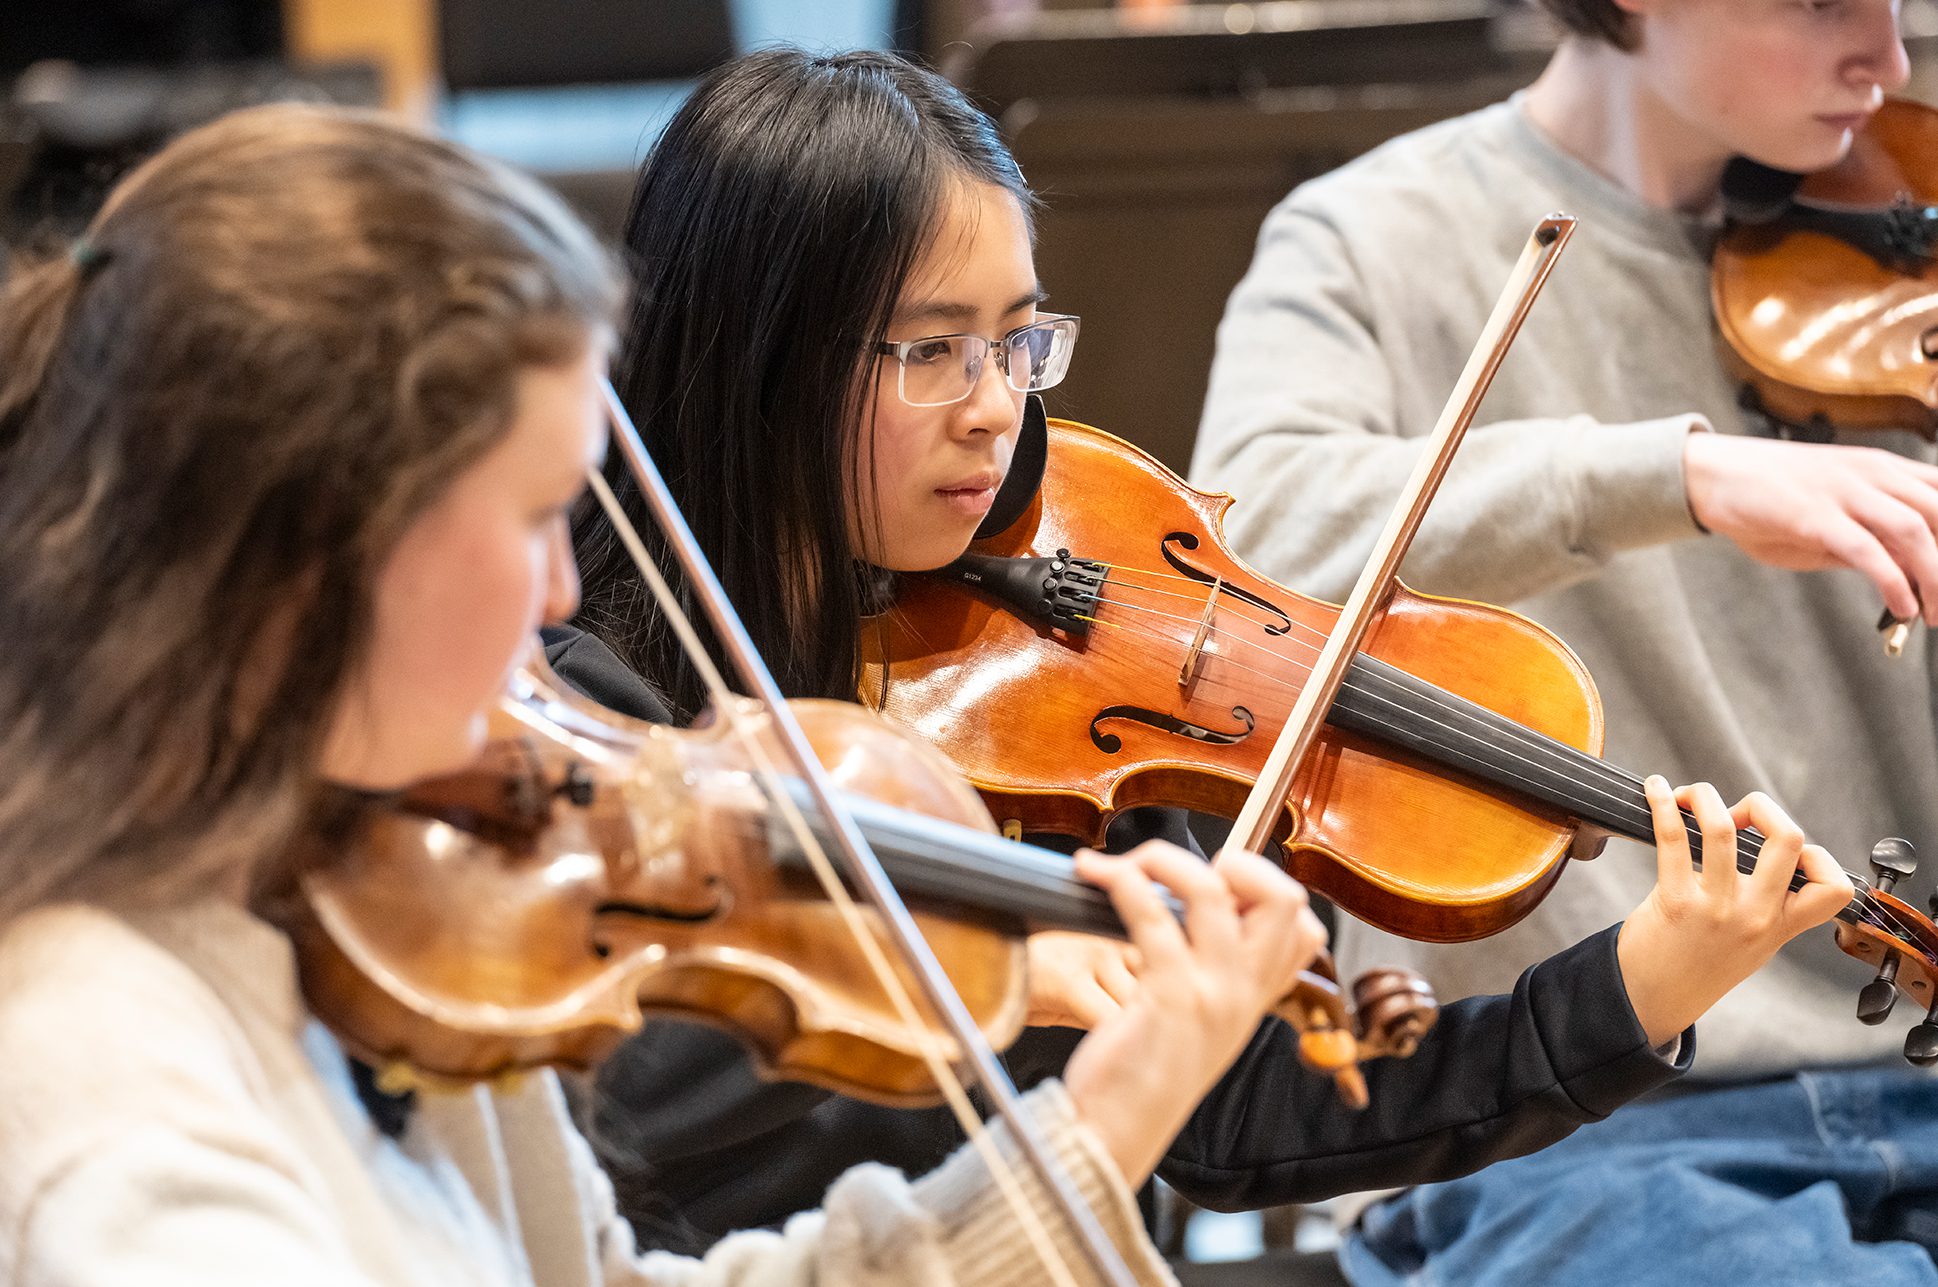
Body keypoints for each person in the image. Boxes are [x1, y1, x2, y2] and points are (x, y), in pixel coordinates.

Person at [0, 100, 1341, 1287]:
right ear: (312, 548)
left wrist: (1103, 1123)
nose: (558, 594)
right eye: (532, 515)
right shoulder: (107, 1091)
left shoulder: (377, 922)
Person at [557, 44, 1853, 1260]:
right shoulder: (595, 704)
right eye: (932, 350)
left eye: (1017, 339)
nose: (998, 407)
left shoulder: (1044, 692)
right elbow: (616, 1104)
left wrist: (1631, 988)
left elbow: (1243, 1124)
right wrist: (999, 975)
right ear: (760, 356)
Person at [1193, 0, 1938, 1283]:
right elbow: (1236, 548)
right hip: (1587, 1120)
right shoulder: (1371, 239)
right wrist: (1670, 476)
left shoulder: (1903, 243)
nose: (1890, 54)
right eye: (1824, 2)